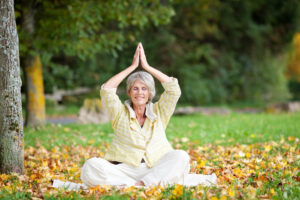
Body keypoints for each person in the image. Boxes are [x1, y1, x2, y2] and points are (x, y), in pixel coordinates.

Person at [52, 43, 217, 190]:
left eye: (144, 88)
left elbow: (174, 90)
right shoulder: (119, 113)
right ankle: (144, 185)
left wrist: (146, 66)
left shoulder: (160, 111)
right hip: (124, 169)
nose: (140, 93)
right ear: (129, 92)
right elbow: (107, 90)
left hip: (155, 167)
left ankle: (139, 186)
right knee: (91, 166)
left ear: (150, 92)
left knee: (181, 157)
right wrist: (132, 67)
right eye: (135, 88)